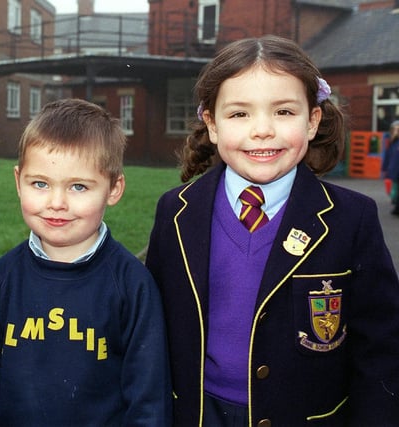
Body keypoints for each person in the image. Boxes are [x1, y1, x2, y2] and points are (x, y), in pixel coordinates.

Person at [145, 35, 399, 426]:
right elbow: (151, 328)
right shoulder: (176, 211)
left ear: (312, 120)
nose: (262, 130)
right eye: (239, 114)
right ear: (211, 124)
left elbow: (381, 347)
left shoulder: (352, 218)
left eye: (283, 112)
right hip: (196, 414)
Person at [0, 98, 172, 426]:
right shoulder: (1, 281)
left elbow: (148, 399)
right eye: (40, 184)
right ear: (18, 181)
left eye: (78, 187)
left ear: (114, 188)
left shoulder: (132, 285)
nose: (56, 203)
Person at [382, 120, 399, 214]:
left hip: (396, 171)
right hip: (394, 171)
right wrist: (385, 168)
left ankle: (397, 208)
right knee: (394, 189)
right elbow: (388, 156)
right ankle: (396, 204)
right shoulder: (392, 142)